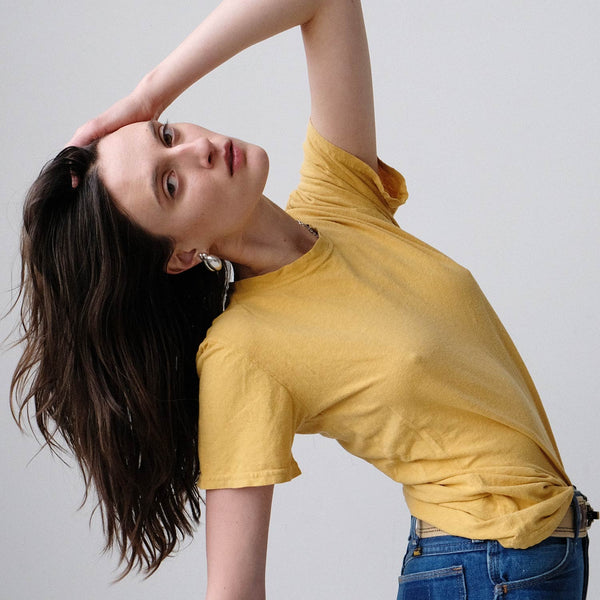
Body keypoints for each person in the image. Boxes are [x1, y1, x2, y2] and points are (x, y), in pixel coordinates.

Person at [11, 0, 594, 598]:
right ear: (182, 255)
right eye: (171, 184)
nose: (197, 149)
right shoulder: (241, 351)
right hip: (489, 568)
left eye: (167, 134)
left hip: (536, 551)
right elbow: (233, 589)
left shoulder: (340, 196)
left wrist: (148, 94)